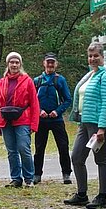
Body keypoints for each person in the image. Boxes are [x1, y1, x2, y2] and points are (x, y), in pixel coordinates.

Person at [65, 41, 106, 209]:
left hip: (99, 123)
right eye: (90, 56)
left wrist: (102, 129)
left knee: (101, 159)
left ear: (102, 56)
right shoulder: (91, 75)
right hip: (85, 121)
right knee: (76, 157)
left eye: (96, 55)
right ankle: (82, 194)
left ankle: (103, 196)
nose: (93, 59)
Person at [0, 52, 40, 187]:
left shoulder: (27, 81)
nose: (14, 65)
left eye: (16, 62)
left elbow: (34, 103)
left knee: (23, 148)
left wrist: (34, 124)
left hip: (23, 119)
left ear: (20, 64)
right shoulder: (1, 83)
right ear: (7, 65)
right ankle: (16, 178)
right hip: (5, 120)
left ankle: (29, 178)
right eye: (11, 62)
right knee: (11, 151)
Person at [33, 52, 72, 185]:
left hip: (57, 120)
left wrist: (57, 111)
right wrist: (39, 111)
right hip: (41, 120)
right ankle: (37, 174)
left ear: (56, 64)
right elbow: (31, 101)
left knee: (63, 146)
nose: (50, 64)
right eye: (48, 62)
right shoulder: (37, 81)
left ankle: (66, 174)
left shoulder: (60, 80)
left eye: (52, 62)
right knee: (39, 148)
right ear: (44, 63)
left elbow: (67, 100)